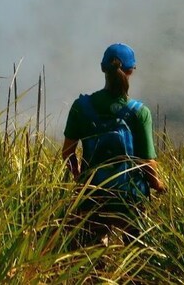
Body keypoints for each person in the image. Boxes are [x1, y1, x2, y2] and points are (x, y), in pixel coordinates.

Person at [61, 42, 166, 245]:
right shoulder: (138, 112)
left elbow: (67, 152)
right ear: (131, 71)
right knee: (137, 252)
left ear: (103, 69)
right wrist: (158, 185)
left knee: (90, 257)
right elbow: (147, 162)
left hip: (92, 193)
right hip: (130, 196)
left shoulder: (81, 107)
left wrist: (79, 178)